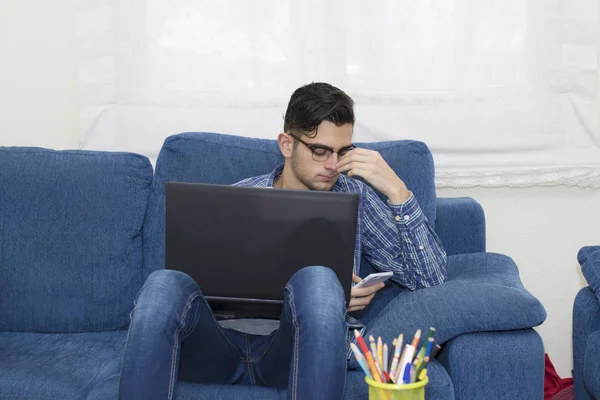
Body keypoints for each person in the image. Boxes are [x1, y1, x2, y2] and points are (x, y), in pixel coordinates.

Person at [119, 82, 447, 400]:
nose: (333, 165)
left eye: (342, 152)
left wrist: (397, 191)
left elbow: (428, 279)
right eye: (320, 151)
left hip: (292, 352)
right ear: (287, 144)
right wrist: (331, 297)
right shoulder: (239, 198)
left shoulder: (355, 194)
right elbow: (194, 288)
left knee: (319, 282)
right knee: (162, 283)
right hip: (216, 346)